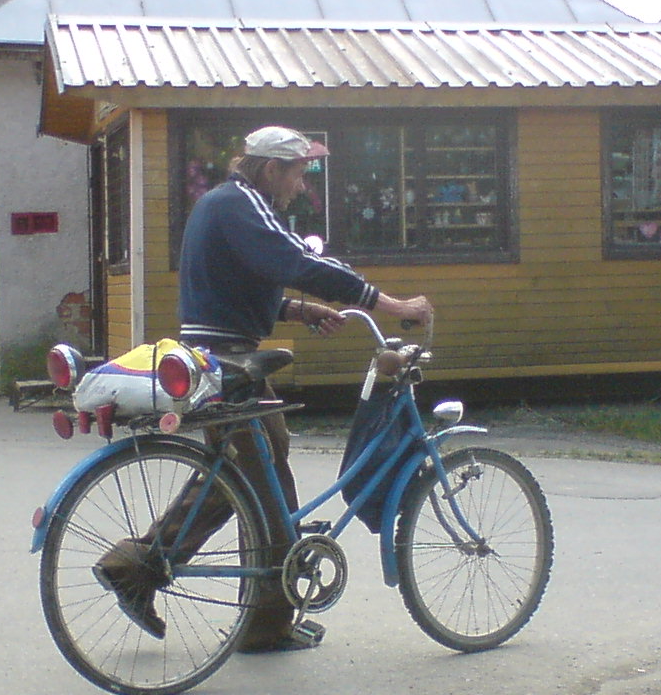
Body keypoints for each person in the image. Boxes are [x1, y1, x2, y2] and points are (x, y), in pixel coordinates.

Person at [95, 125, 433, 653]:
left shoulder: (225, 204)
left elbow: (237, 285)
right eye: (298, 172)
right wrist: (390, 304)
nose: (301, 184)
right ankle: (244, 613)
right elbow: (297, 262)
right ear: (272, 169)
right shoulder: (241, 204)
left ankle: (156, 571)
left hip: (223, 355)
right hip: (228, 362)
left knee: (253, 471)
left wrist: (298, 310)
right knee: (263, 491)